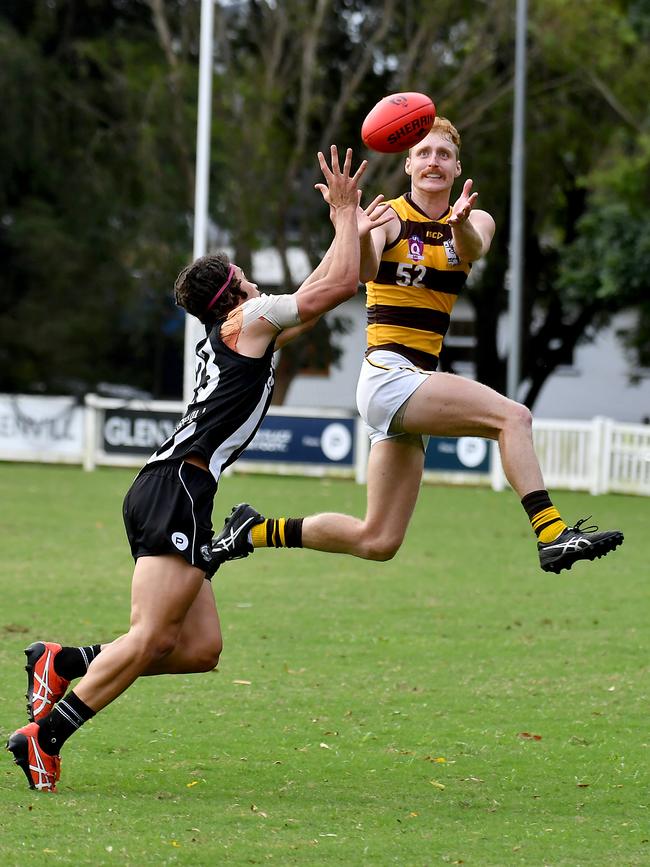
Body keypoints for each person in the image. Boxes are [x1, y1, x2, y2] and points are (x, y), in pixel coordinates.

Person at [6, 145, 393, 793]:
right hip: (176, 488)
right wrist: (349, 215)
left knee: (195, 648)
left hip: (173, 488)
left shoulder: (239, 328)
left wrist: (344, 226)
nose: (256, 284)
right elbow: (337, 287)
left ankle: (63, 659)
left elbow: (314, 294)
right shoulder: (250, 318)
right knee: (153, 633)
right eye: (246, 275)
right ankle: (44, 735)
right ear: (236, 286)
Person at [210, 116, 624, 576]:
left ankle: (252, 531)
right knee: (514, 417)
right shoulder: (389, 217)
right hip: (388, 376)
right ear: (408, 164)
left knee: (378, 540)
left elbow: (470, 249)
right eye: (424, 153)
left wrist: (460, 222)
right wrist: (361, 233)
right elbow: (365, 272)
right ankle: (552, 535)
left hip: (413, 382)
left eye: (443, 154)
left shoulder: (475, 218)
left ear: (456, 166)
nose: (433, 161)